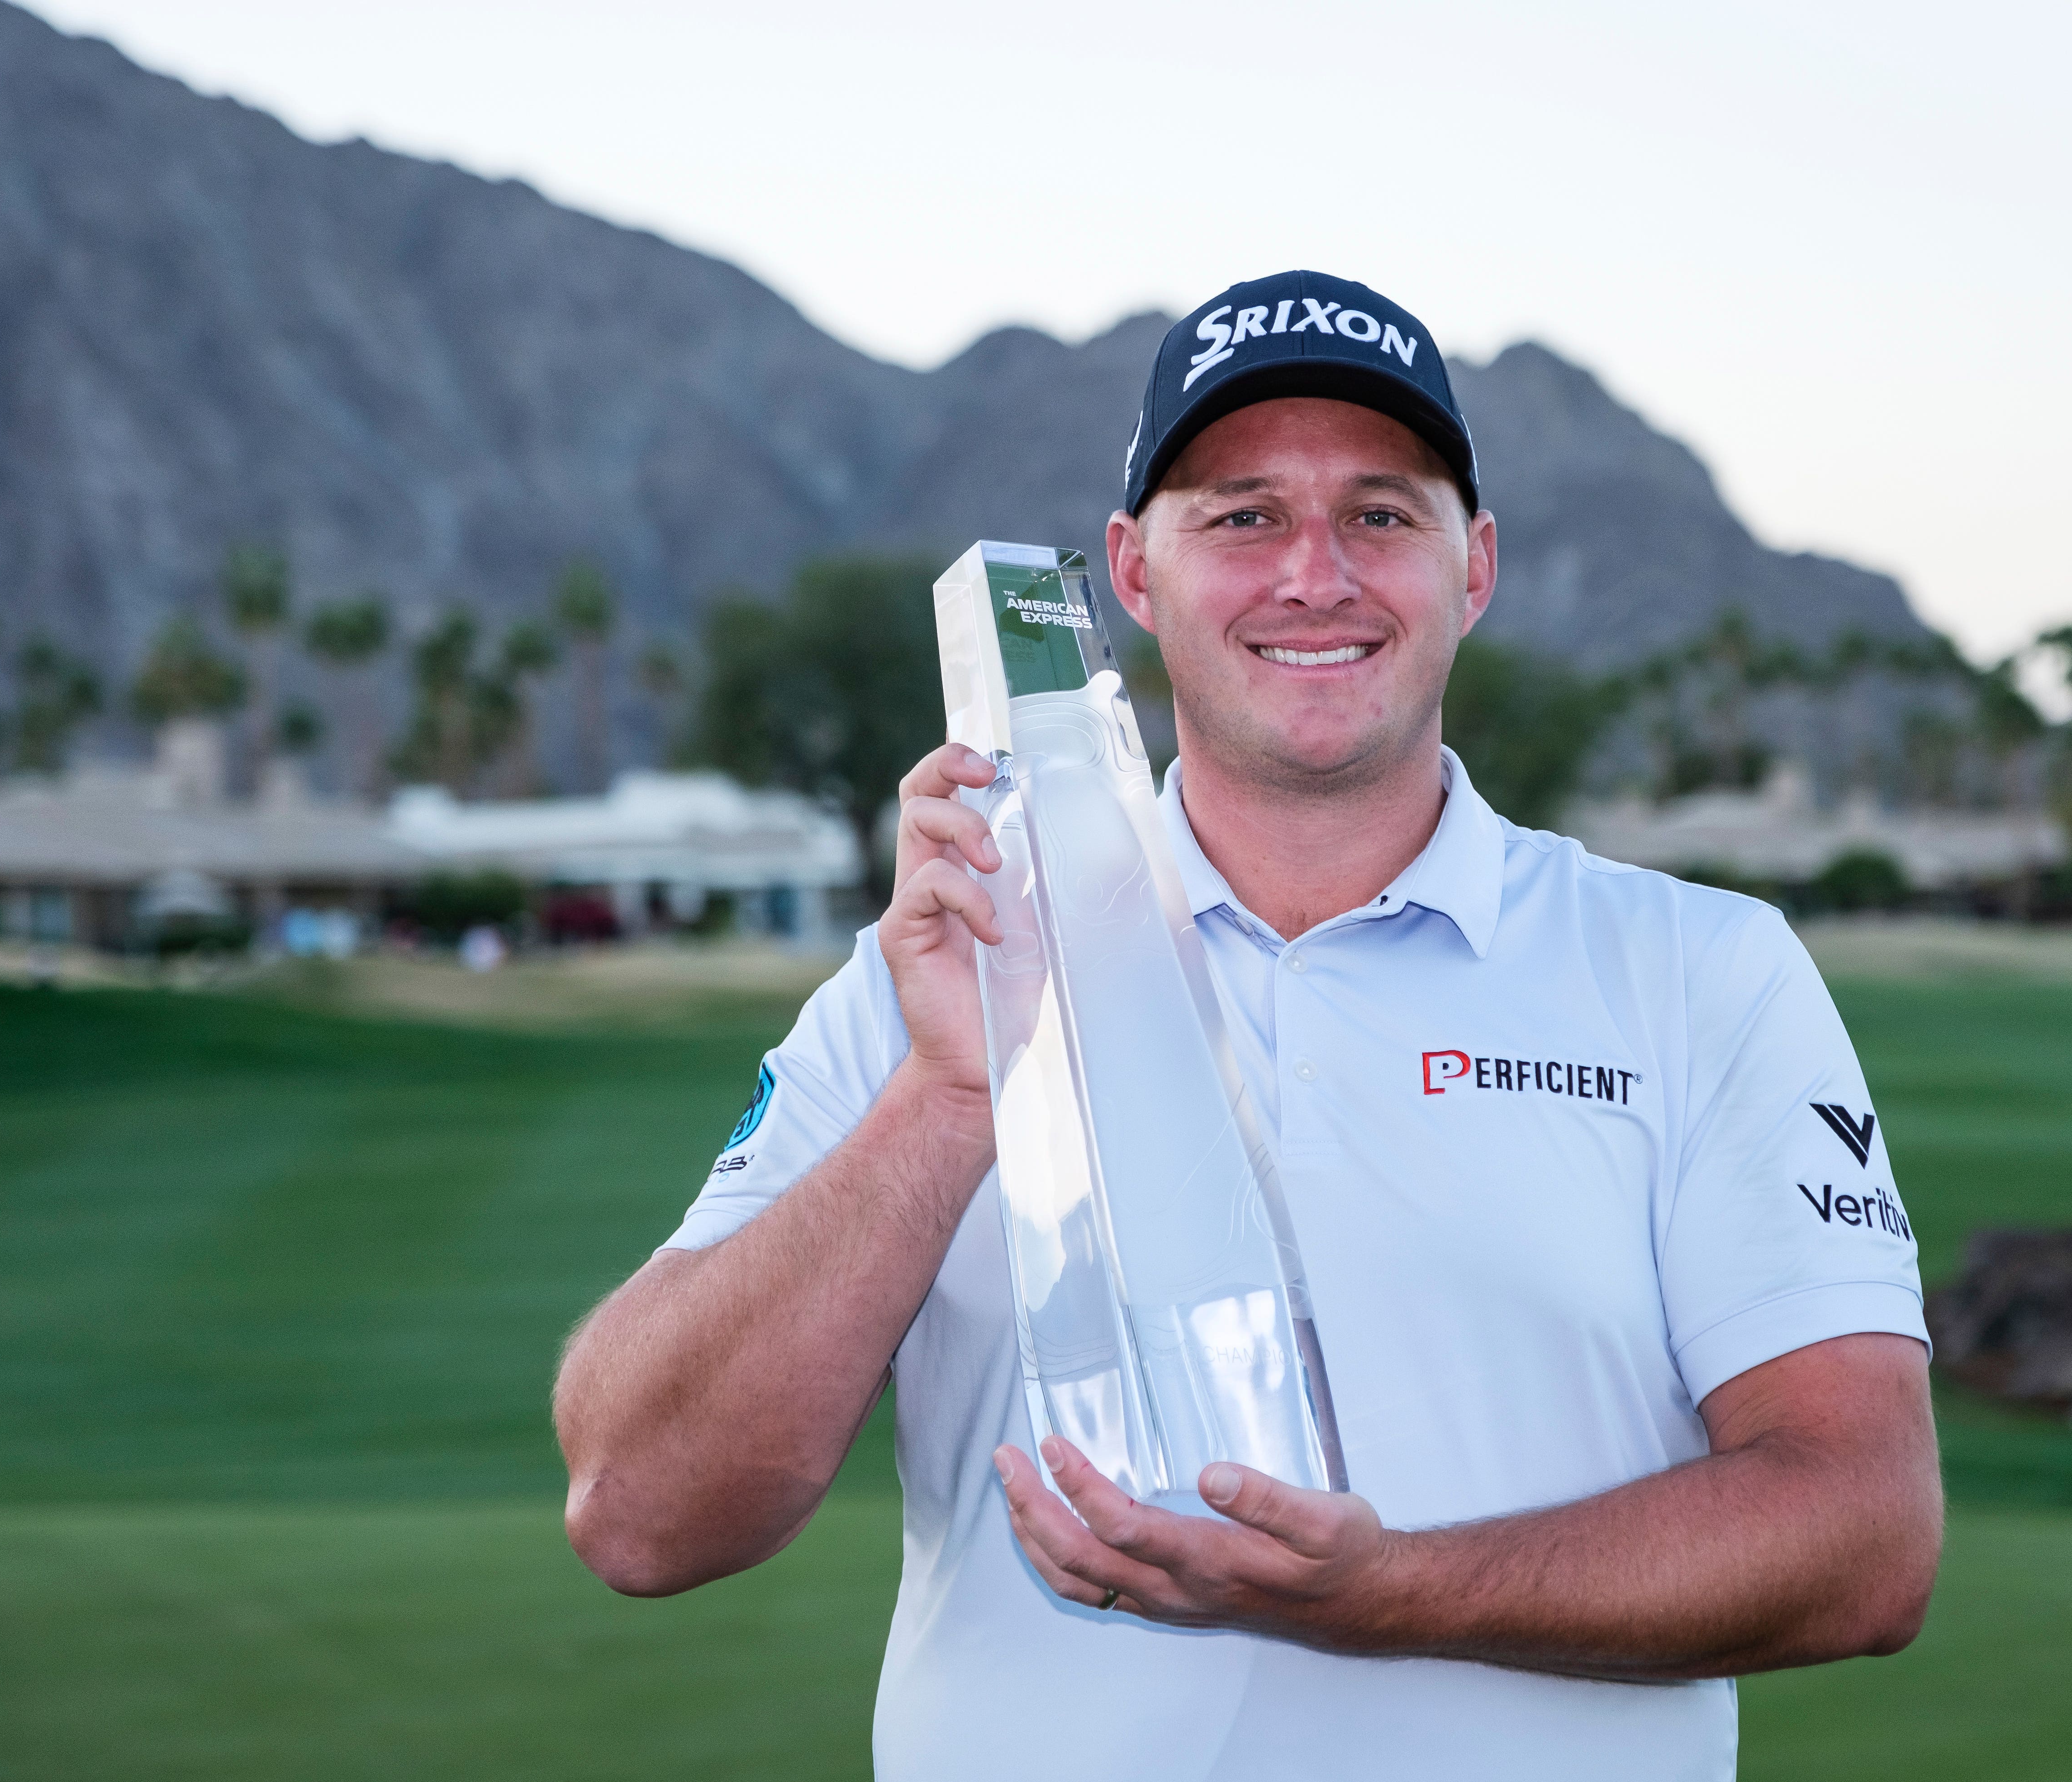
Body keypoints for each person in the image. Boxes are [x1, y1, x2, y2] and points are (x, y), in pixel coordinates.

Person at [553, 270, 1941, 1779]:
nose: (1314, 573)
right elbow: (640, 1510)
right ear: (1131, 575)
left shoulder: (1700, 971)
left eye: (1381, 513)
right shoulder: (938, 972)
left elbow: (1863, 1532)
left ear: (1471, 568)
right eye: (1241, 515)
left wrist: (1390, 1594)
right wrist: (953, 1095)